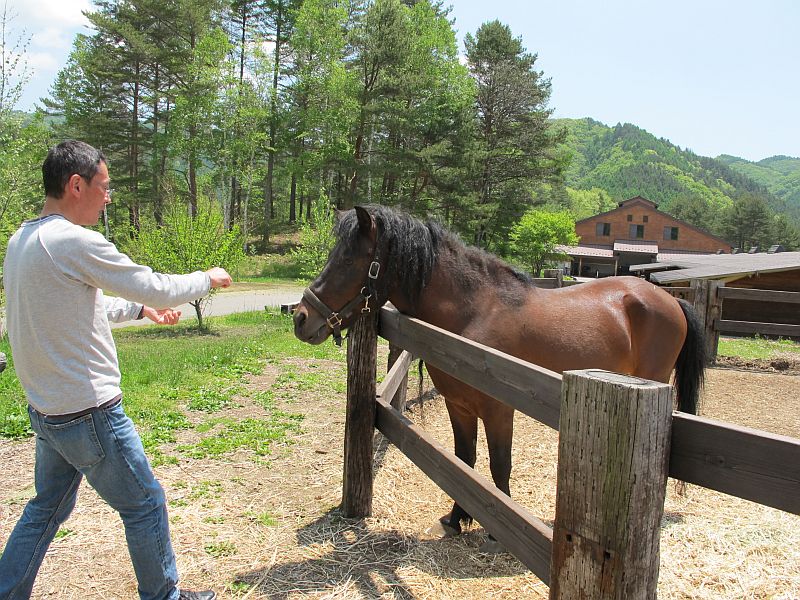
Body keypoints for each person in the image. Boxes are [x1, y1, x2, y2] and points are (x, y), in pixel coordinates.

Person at [0, 140, 227, 600]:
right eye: (104, 187)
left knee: (45, 508)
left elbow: (83, 308)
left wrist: (140, 312)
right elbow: (156, 285)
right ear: (76, 184)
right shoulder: (71, 240)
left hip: (48, 412)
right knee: (145, 503)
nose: (109, 197)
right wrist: (207, 278)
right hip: (89, 413)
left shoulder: (24, 239)